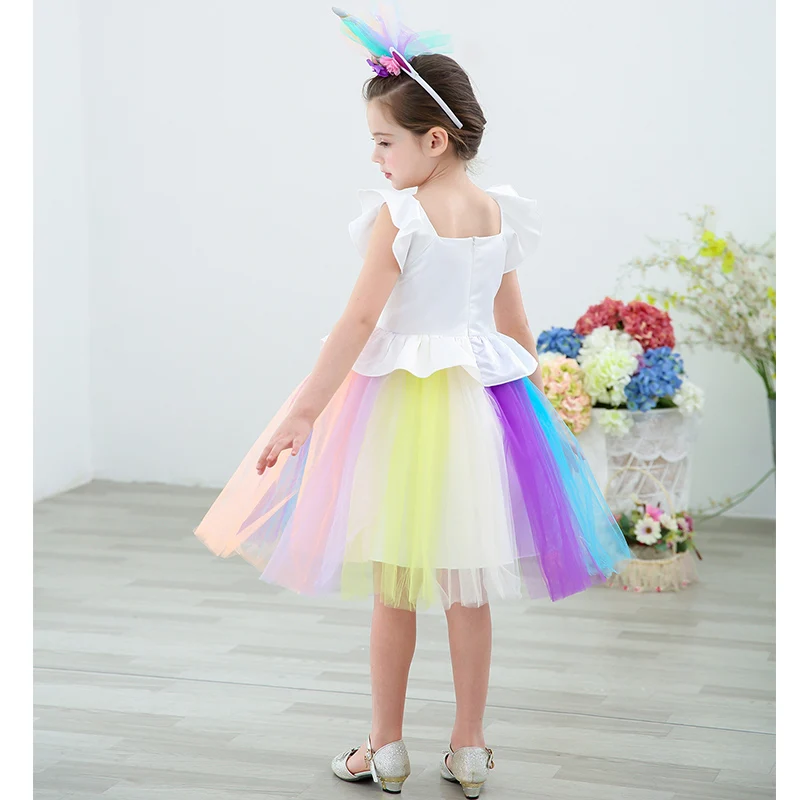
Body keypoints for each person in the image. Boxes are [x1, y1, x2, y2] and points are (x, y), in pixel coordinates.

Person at [193, 6, 631, 797]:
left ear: (434, 139)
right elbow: (513, 322)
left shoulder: (399, 215)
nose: (375, 156)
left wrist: (305, 411)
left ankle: (385, 746)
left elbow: (359, 322)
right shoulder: (495, 211)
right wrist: (537, 406)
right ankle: (470, 748)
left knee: (395, 587)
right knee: (468, 587)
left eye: (384, 141)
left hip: (397, 413)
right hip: (480, 412)